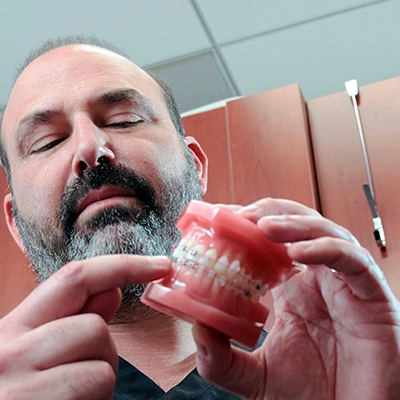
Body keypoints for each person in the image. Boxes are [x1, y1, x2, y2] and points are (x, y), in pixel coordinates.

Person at [0, 35, 399, 400]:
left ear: (196, 166)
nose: (90, 147)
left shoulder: (314, 378)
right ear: (15, 225)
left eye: (124, 120)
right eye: (47, 142)